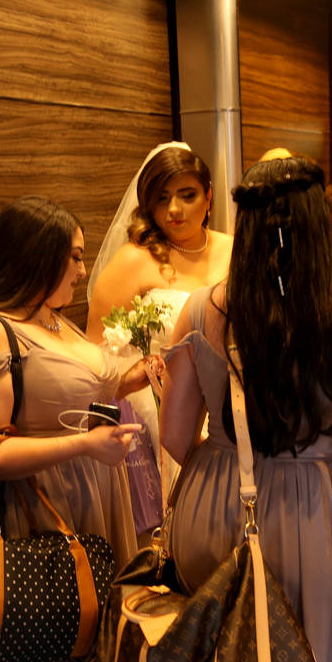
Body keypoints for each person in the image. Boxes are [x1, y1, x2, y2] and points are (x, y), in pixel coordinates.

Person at [158, 156, 332, 662]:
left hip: (216, 502)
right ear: (321, 226)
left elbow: (175, 437)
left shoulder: (200, 312)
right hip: (313, 511)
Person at [0, 195, 151, 662]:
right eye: (77, 256)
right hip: (36, 513)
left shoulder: (51, 318)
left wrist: (135, 379)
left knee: (96, 646)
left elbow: (80, 389)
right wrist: (81, 447)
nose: (84, 271)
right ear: (38, 256)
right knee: (53, 648)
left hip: (92, 497)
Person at [86, 143, 232, 511]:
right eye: (163, 198)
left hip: (231, 405)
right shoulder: (133, 260)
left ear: (209, 196)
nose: (175, 210)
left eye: (188, 195)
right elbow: (95, 354)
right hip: (160, 412)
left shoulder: (236, 249)